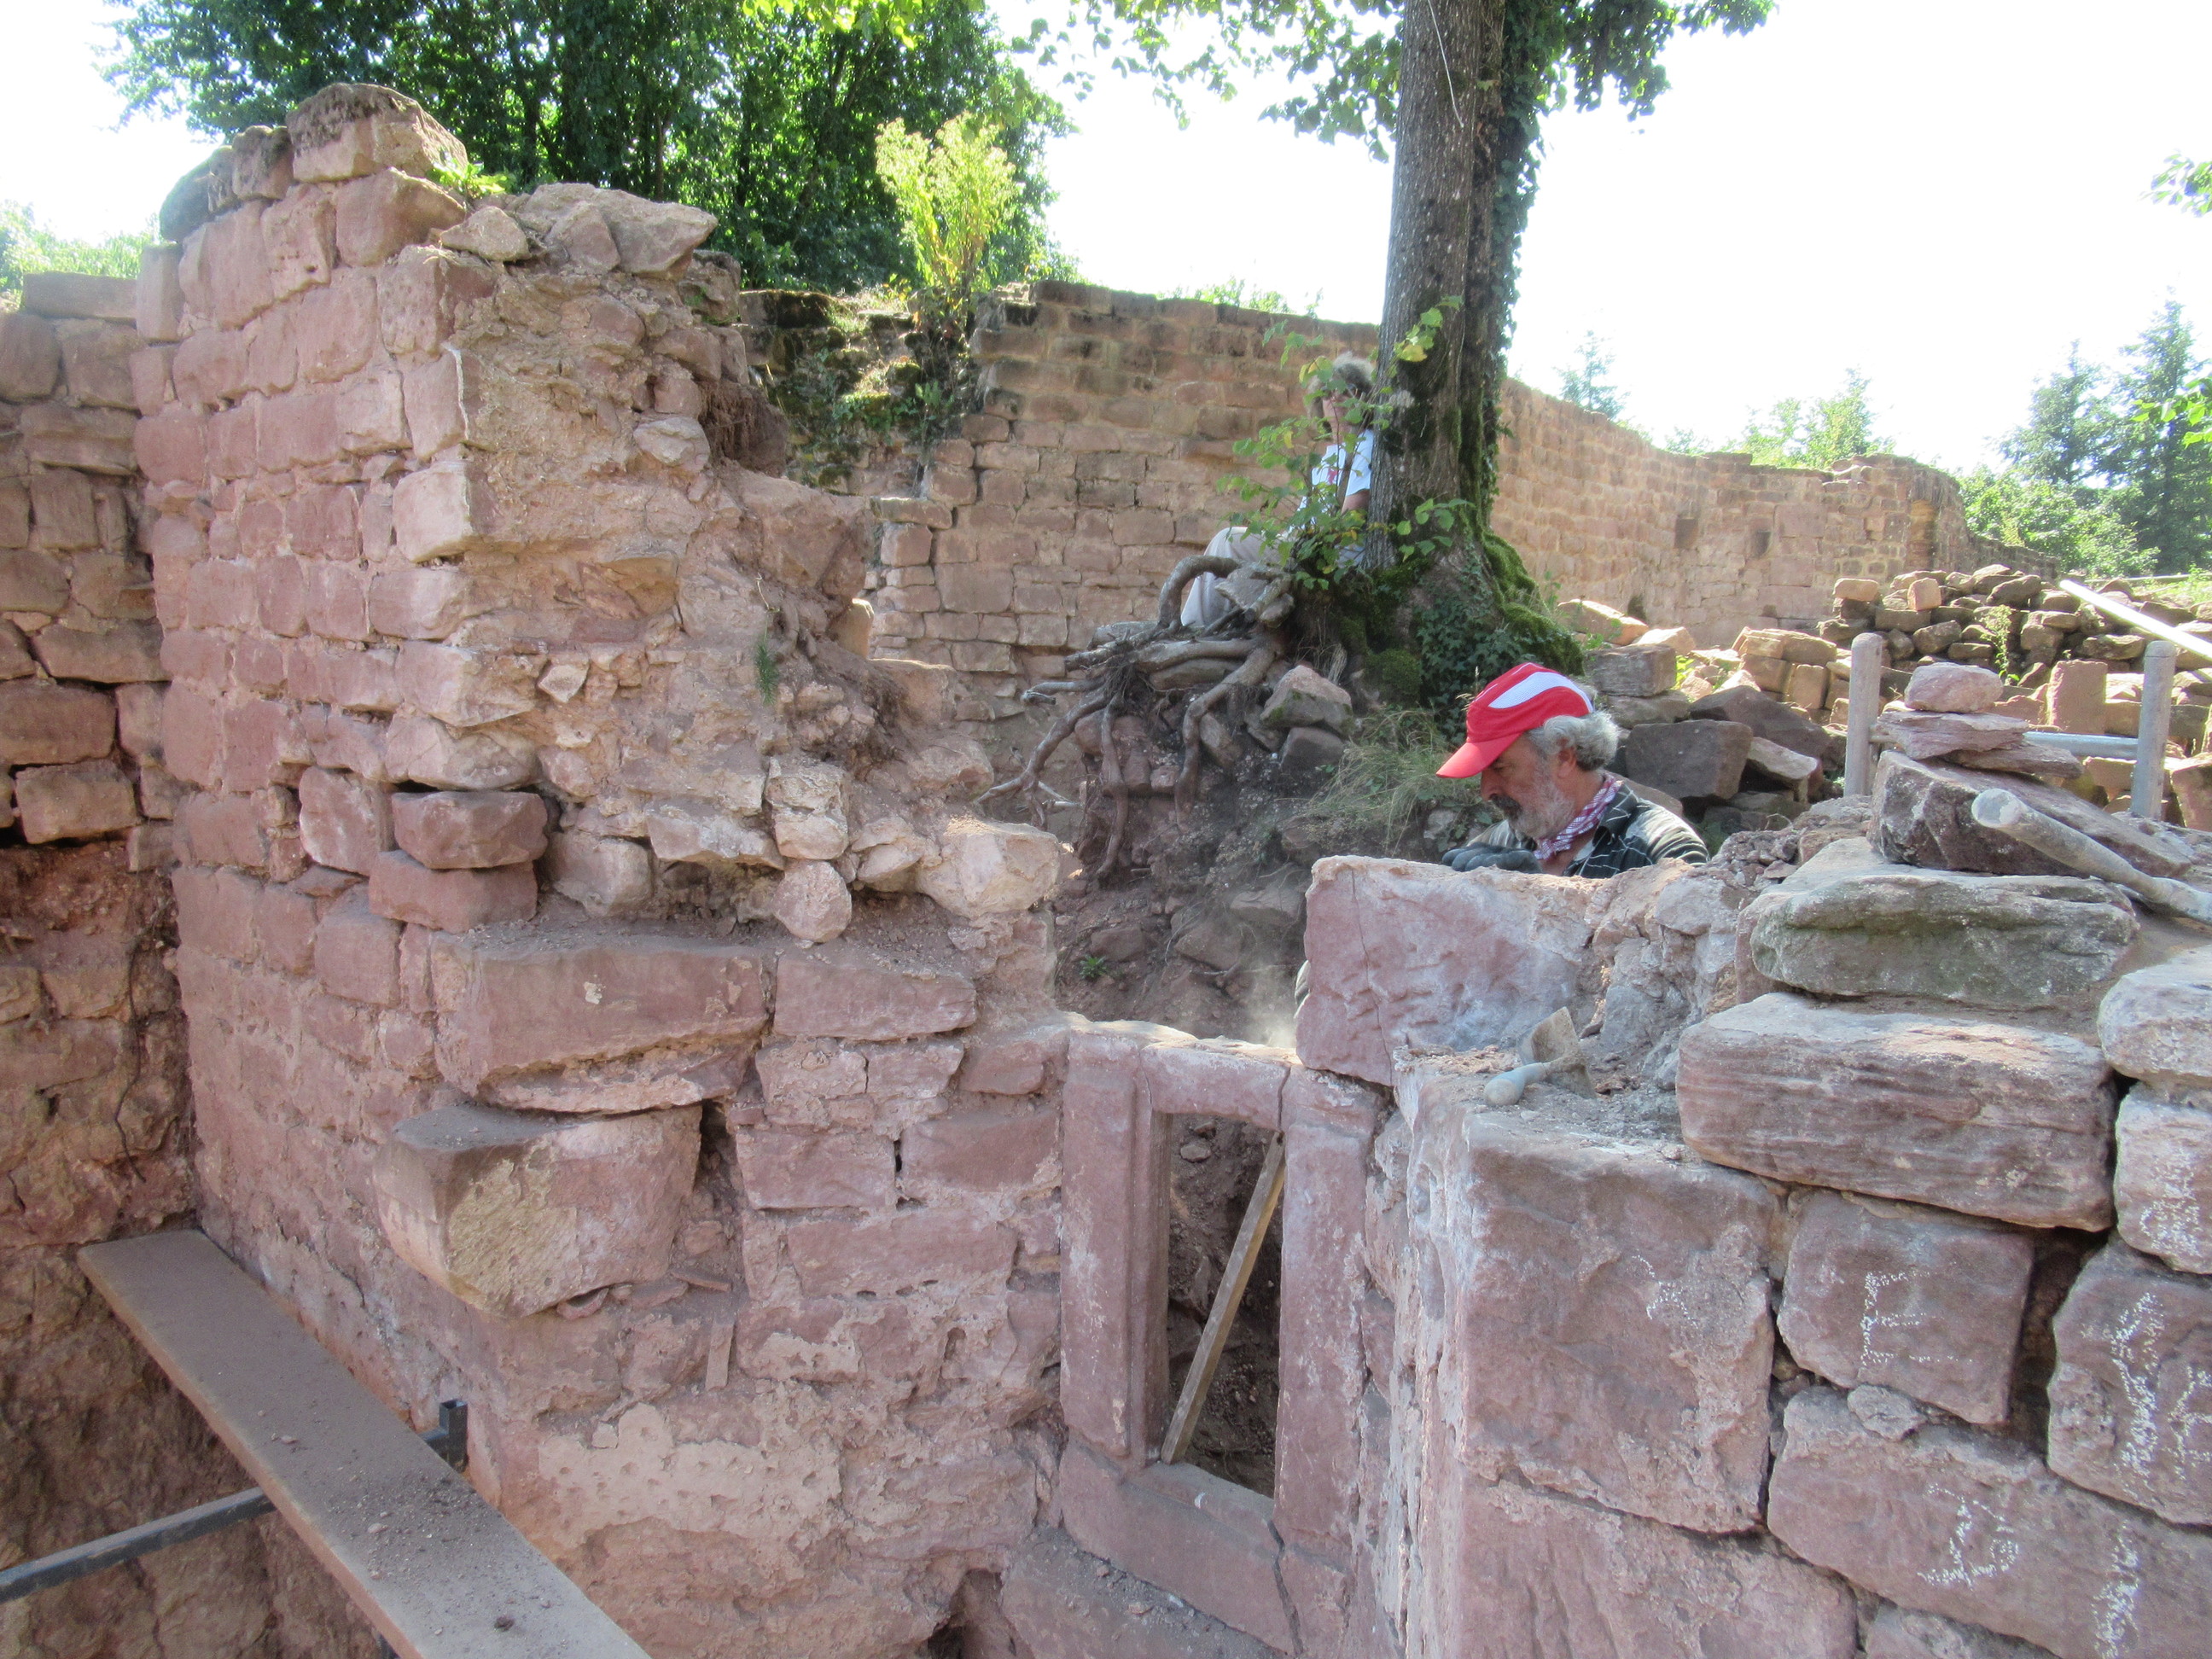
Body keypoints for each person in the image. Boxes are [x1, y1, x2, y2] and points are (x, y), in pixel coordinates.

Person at [1435, 662, 1708, 878]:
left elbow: (1691, 931)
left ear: (1564, 756)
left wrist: (1537, 895)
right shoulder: (1502, 840)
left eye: (1501, 767)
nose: (1486, 791)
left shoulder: (1664, 851)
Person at [1180, 353, 1379, 627]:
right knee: (1233, 547)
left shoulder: (1367, 444)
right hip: (1309, 550)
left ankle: (1192, 628)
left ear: (1362, 397)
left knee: (1228, 541)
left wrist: (1301, 546)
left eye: (1346, 390)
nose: (1335, 397)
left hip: (1337, 558)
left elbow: (1350, 518)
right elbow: (1300, 525)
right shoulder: (1327, 459)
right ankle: (1209, 629)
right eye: (1326, 392)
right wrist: (1288, 542)